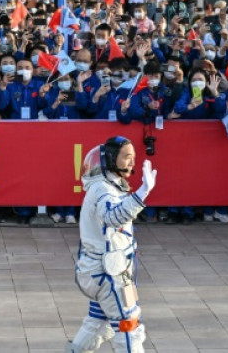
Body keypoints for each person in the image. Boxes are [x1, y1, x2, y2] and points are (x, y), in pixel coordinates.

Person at [67, 137, 156, 353]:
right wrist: (143, 192)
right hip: (109, 273)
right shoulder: (104, 190)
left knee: (99, 321)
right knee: (129, 325)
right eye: (126, 157)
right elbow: (112, 217)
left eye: (133, 157)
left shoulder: (106, 187)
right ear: (110, 159)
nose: (131, 162)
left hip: (105, 271)